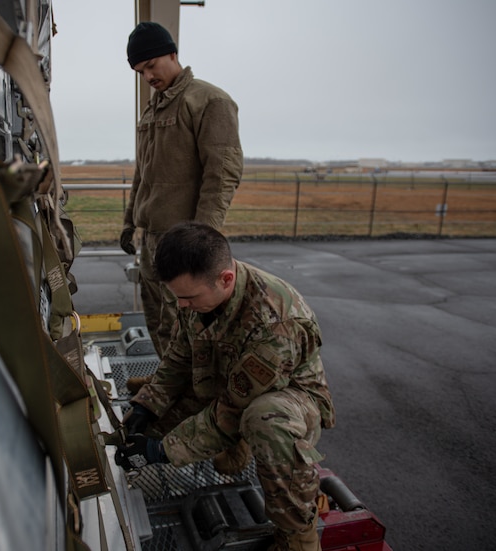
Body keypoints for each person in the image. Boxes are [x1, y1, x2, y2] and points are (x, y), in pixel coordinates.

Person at [114, 222, 336, 551]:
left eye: (189, 298)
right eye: (179, 299)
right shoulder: (197, 293)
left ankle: (298, 538)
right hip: (230, 384)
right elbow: (178, 358)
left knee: (263, 421)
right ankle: (230, 446)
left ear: (226, 279)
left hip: (287, 400)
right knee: (149, 430)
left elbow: (233, 410)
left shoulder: (278, 321)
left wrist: (162, 452)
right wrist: (148, 404)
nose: (183, 306)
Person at [120, 21, 244, 359]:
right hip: (152, 238)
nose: (147, 77)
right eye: (139, 71)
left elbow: (222, 175)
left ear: (173, 54)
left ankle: (193, 397)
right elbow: (143, 173)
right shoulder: (154, 107)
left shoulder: (208, 100)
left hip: (183, 239)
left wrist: (201, 237)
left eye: (150, 66)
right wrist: (130, 223)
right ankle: (167, 388)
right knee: (160, 323)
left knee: (187, 325)